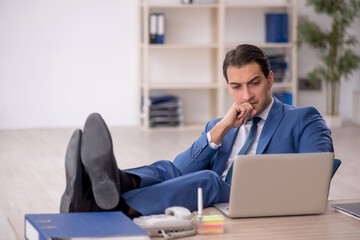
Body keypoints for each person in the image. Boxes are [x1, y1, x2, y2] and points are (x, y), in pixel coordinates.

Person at [60, 44, 333, 217]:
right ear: (228, 86)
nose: (246, 94)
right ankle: (111, 181)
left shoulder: (303, 118)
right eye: (236, 86)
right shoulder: (219, 124)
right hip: (216, 196)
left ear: (270, 79)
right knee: (166, 168)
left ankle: (113, 205)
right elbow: (180, 168)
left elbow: (315, 177)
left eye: (254, 83)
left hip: (257, 201)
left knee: (208, 180)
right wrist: (223, 128)